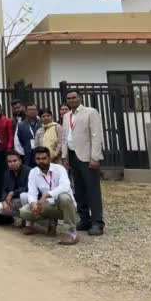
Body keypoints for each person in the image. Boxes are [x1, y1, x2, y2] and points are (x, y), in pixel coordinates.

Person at [62, 90, 105, 236]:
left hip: (87, 157)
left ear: (80, 98)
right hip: (73, 155)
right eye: (69, 98)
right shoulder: (67, 116)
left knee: (92, 190)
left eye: (74, 97)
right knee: (79, 190)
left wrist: (95, 157)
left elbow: (96, 135)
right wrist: (65, 156)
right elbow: (65, 137)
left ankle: (97, 222)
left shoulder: (90, 112)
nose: (72, 100)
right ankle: (85, 219)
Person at [20, 147, 79, 245]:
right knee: (24, 211)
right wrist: (34, 203)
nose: (41, 161)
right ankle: (50, 222)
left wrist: (46, 195)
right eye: (38, 159)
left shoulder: (59, 169)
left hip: (64, 207)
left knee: (63, 197)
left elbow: (65, 186)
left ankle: (71, 233)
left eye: (44, 158)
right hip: (49, 206)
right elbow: (32, 192)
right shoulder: (33, 172)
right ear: (35, 160)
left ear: (49, 158)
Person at [0, 150, 30, 219]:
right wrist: (3, 201)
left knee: (23, 195)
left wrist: (13, 193)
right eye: (9, 162)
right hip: (15, 200)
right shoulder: (7, 173)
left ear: (20, 160)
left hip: (29, 200)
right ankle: (23, 217)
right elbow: (4, 190)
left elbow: (28, 187)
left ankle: (28, 222)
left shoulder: (29, 171)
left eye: (15, 161)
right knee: (0, 207)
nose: (12, 163)